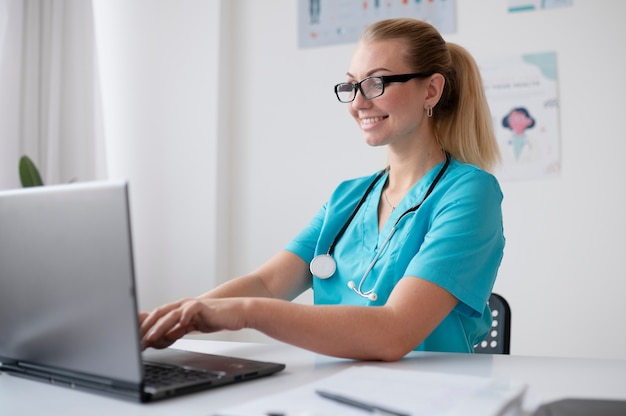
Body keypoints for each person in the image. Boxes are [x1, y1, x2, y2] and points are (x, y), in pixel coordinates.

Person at [140, 18, 504, 362]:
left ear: (431, 89)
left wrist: (244, 313)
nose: (359, 103)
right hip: (331, 392)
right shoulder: (348, 198)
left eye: (376, 83)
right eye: (351, 86)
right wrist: (174, 317)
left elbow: (394, 331)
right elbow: (267, 284)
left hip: (433, 398)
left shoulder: (469, 193)